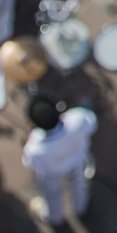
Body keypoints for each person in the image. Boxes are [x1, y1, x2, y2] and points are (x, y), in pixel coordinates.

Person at [22, 96, 97, 225]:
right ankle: (80, 208)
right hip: (77, 163)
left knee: (53, 197)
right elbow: (92, 124)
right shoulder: (77, 118)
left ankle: (55, 218)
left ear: (33, 124)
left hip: (52, 175)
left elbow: (30, 164)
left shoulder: (34, 147)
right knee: (79, 186)